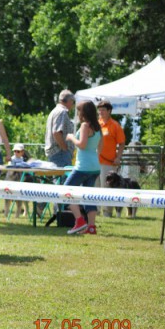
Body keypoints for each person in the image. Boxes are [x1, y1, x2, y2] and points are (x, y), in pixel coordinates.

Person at [65, 100, 102, 235]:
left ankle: (79, 221)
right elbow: (100, 148)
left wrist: (71, 137)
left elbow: (82, 144)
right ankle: (91, 227)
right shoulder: (98, 127)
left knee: (65, 191)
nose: (78, 113)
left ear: (84, 112)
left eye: (79, 110)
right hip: (95, 166)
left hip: (83, 167)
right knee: (89, 196)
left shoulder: (85, 125)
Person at [96, 100, 126, 217]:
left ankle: (107, 212)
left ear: (109, 111)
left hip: (108, 163)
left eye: (103, 110)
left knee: (107, 187)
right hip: (95, 161)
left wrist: (118, 157)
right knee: (95, 186)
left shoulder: (115, 125)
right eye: (99, 110)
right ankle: (96, 211)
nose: (101, 112)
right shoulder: (96, 124)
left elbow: (122, 143)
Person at [44, 89, 76, 167]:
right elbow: (56, 132)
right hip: (60, 153)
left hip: (56, 153)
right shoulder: (62, 111)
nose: (72, 105)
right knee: (63, 179)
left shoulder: (54, 111)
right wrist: (65, 149)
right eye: (72, 102)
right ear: (69, 101)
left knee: (58, 178)